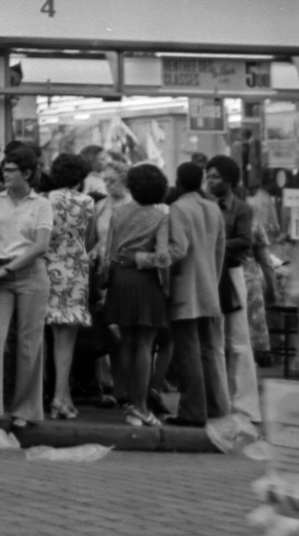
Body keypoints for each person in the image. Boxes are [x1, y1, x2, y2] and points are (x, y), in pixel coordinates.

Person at [0, 144, 52, 427]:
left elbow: (41, 246)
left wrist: (3, 271)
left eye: (11, 171)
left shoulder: (41, 204)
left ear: (27, 173)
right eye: (4, 170)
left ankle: (25, 410)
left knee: (28, 343)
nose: (5, 174)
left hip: (31, 274)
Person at [100, 162, 172, 426]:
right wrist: (151, 266)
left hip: (119, 280)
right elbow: (163, 257)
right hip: (145, 282)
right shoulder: (161, 216)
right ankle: (141, 407)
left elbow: (109, 252)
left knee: (127, 344)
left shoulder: (118, 212)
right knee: (145, 345)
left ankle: (131, 406)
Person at [165, 159, 229, 427]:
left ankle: (192, 411)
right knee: (208, 350)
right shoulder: (213, 208)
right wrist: (212, 280)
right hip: (208, 286)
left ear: (179, 182)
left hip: (185, 288)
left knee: (188, 351)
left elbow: (177, 249)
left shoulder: (178, 209)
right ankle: (215, 407)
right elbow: (220, 250)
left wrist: (154, 260)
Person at [204, 154, 261, 425]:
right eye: (208, 176)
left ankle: (247, 407)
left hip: (233, 275)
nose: (210, 181)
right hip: (210, 275)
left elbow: (245, 241)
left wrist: (215, 247)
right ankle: (221, 402)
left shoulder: (241, 209)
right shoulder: (205, 204)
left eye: (215, 177)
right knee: (215, 340)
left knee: (238, 340)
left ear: (228, 180)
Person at [43, 151, 94, 420]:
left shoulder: (46, 200)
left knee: (53, 335)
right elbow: (90, 236)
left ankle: (59, 397)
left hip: (50, 266)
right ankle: (61, 397)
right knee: (68, 339)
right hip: (76, 266)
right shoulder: (87, 202)